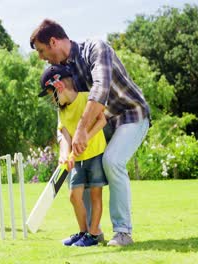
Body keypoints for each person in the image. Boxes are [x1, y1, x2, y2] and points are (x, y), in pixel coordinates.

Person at [30, 19, 151, 246]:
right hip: (100, 125)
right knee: (81, 165)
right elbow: (63, 118)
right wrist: (64, 150)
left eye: (42, 50)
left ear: (54, 41)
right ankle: (91, 233)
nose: (41, 57)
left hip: (129, 114)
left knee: (112, 161)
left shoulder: (96, 48)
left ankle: (123, 231)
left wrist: (82, 130)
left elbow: (100, 89)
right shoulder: (63, 72)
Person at [39, 64, 108, 247]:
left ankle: (94, 235)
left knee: (95, 195)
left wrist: (86, 137)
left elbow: (102, 120)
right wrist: (65, 154)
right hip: (76, 159)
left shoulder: (87, 98)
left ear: (59, 87)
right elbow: (66, 135)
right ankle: (83, 232)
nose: (52, 101)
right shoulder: (61, 111)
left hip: (95, 154)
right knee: (73, 196)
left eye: (51, 95)